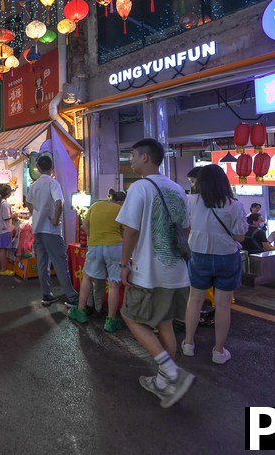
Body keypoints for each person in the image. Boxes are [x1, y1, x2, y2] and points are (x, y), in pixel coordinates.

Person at [116, 139, 195, 408]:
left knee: (129, 315)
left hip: (147, 271)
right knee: (165, 323)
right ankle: (164, 381)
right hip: (175, 271)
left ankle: (171, 371)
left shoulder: (139, 188)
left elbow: (130, 230)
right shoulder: (176, 188)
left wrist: (124, 263)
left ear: (145, 158)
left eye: (133, 156)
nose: (131, 161)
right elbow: (185, 230)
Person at [182, 165, 248, 365]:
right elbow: (240, 236)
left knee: (194, 299)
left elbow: (185, 228)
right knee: (222, 305)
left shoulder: (190, 201)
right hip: (226, 257)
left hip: (199, 255)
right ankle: (218, 351)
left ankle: (188, 343)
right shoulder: (234, 205)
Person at [25, 155, 79, 308]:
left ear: (39, 169)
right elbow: (59, 202)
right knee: (60, 263)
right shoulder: (53, 183)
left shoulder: (34, 185)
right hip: (50, 230)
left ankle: (46, 294)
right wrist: (55, 219)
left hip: (38, 229)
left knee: (42, 263)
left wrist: (35, 213)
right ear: (52, 168)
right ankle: (72, 297)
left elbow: (28, 201)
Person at [69, 191, 126, 332]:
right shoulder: (121, 210)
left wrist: (92, 236)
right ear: (121, 202)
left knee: (87, 278)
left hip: (95, 245)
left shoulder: (95, 206)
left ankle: (80, 312)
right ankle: (111, 321)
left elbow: (84, 225)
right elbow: (125, 233)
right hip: (115, 247)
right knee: (114, 284)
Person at [0, 184, 17, 277]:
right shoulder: (5, 203)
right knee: (3, 250)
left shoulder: (0, 202)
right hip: (4, 229)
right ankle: (3, 269)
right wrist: (14, 215)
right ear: (7, 193)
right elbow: (6, 217)